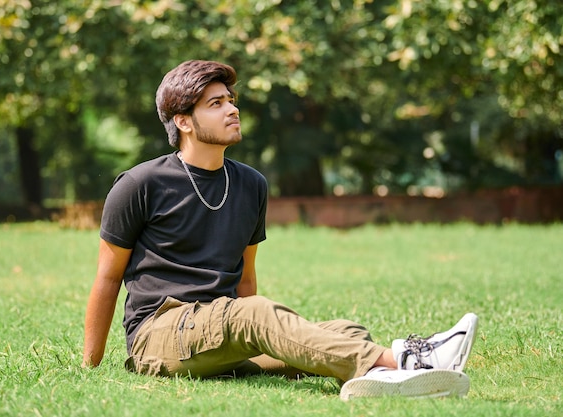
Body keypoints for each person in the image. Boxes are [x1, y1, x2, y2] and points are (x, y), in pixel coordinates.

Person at [82, 60, 479, 399]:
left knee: (345, 331)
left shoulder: (251, 184)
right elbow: (108, 276)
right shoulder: (140, 184)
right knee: (258, 316)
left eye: (231, 101)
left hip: (221, 333)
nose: (232, 110)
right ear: (183, 120)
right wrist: (91, 366)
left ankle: (378, 377)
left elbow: (245, 277)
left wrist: (252, 333)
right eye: (215, 104)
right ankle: (410, 360)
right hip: (160, 334)